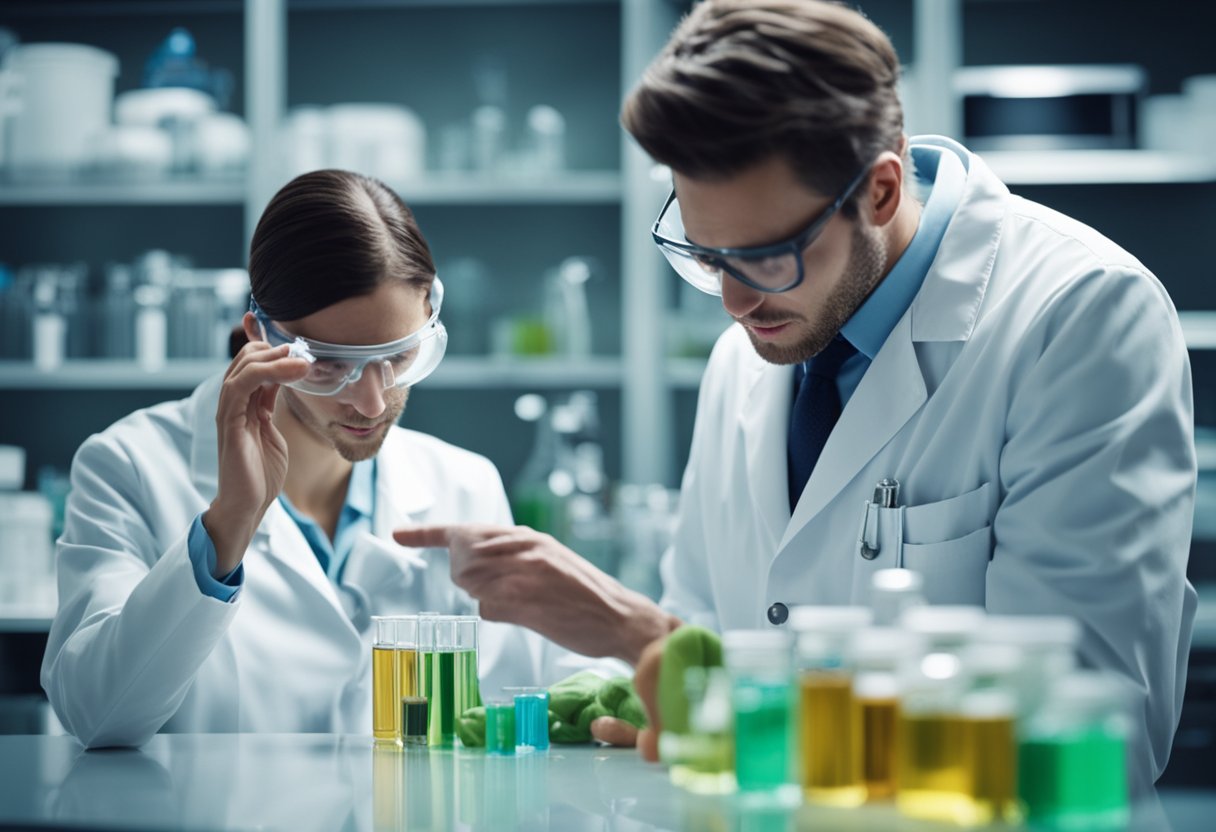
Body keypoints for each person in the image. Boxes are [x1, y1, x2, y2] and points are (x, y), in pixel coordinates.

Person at [395, 0, 1197, 790]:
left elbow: (1089, 733)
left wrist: (647, 639)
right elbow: (710, 640)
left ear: (880, 192)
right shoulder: (744, 358)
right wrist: (664, 700)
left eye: (767, 257)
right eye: (705, 254)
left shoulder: (1078, 316)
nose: (733, 303)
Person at [41, 169, 619, 748]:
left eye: (398, 355)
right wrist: (227, 525)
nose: (371, 401)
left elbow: (542, 682)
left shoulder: (463, 483)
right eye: (330, 364)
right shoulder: (129, 467)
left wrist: (608, 690)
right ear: (262, 341)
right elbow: (97, 715)